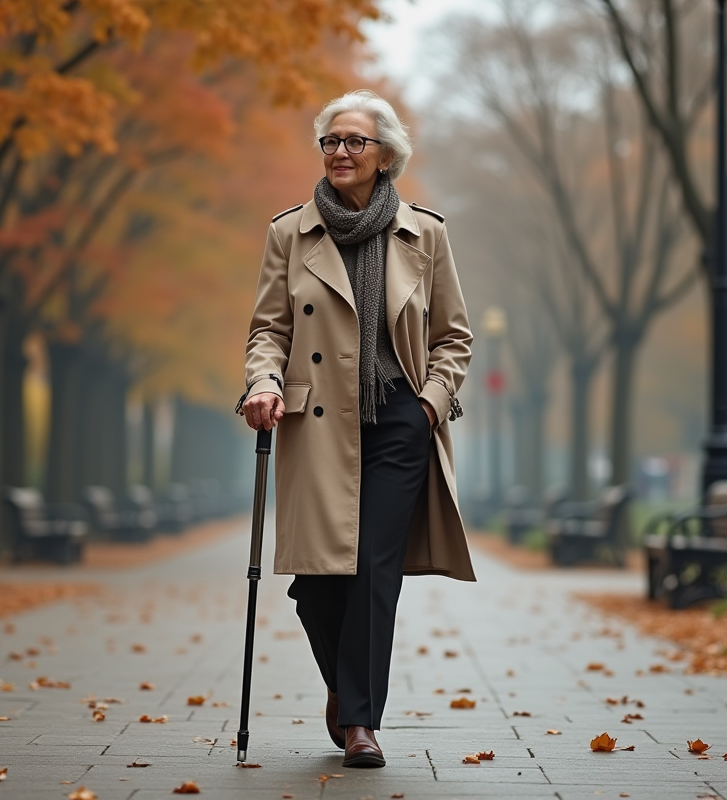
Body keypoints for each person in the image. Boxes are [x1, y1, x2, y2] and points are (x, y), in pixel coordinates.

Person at [237, 90, 474, 769]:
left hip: (399, 419)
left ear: (385, 155)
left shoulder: (425, 235)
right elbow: (268, 330)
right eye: (331, 141)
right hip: (316, 423)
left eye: (354, 141)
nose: (340, 151)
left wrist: (429, 404)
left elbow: (453, 337)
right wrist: (264, 381)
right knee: (317, 581)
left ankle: (361, 721)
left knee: (373, 569)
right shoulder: (289, 233)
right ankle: (345, 686)